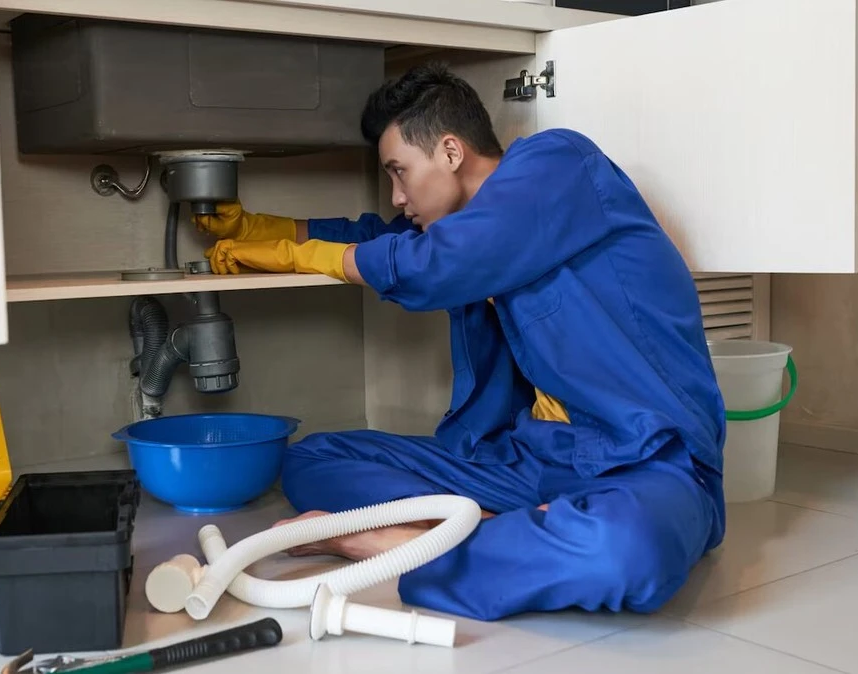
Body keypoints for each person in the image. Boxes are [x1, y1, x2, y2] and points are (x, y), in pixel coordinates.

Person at [194, 63, 727, 621]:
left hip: (645, 461)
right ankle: (506, 537)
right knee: (312, 458)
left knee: (629, 552)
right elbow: (378, 238)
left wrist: (305, 257)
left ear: (450, 152)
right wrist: (262, 229)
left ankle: (387, 543)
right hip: (527, 460)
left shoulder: (560, 164)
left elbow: (432, 264)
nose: (397, 195)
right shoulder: (462, 223)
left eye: (399, 172)